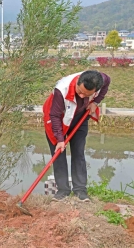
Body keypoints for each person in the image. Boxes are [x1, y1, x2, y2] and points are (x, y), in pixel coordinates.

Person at [43, 70, 111, 202]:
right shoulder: (61, 89)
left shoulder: (101, 79)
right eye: (79, 91)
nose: (81, 95)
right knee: (59, 153)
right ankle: (63, 190)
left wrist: (95, 102)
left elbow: (107, 82)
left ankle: (80, 190)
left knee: (78, 152)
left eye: (86, 95)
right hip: (57, 120)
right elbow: (54, 115)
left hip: (79, 117)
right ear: (78, 81)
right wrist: (60, 139)